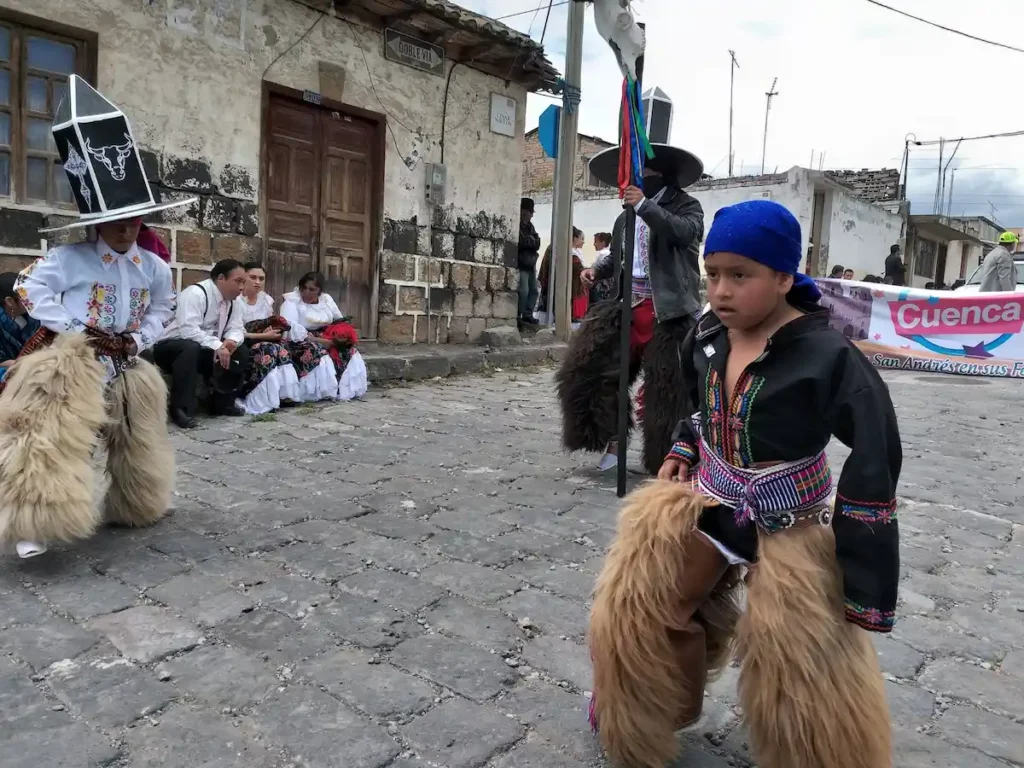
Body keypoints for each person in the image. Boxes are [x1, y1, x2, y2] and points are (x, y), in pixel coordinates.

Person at [588, 200, 900, 768]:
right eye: (712, 274)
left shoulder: (828, 355)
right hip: (712, 499)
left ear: (783, 277)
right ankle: (655, 709)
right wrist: (685, 445)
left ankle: (814, 751)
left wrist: (863, 559)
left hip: (792, 520)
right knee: (647, 607)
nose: (721, 291)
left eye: (740, 275)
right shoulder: (708, 336)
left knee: (800, 655)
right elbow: (700, 406)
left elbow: (876, 446)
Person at [0, 75, 190, 559]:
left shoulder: (153, 267)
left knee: (137, 438)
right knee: (50, 438)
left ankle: (137, 502)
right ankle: (34, 523)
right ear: (99, 223)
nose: (127, 229)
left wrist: (140, 338)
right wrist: (72, 330)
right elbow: (27, 286)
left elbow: (165, 307)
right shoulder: (70, 259)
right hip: (72, 362)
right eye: (117, 221)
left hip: (126, 361)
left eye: (134, 220)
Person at [558, 141, 705, 474]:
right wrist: (597, 270)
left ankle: (667, 458)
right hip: (627, 306)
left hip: (669, 312)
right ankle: (613, 440)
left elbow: (684, 233)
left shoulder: (687, 206)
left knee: (666, 391)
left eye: (644, 171)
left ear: (660, 172)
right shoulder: (625, 217)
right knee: (593, 371)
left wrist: (645, 207)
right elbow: (619, 256)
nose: (637, 179)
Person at [152, 259, 251, 429]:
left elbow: (236, 327)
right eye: (238, 281)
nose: (241, 287)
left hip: (204, 348)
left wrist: (230, 341)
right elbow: (188, 330)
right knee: (190, 348)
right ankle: (181, 408)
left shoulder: (234, 301)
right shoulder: (196, 294)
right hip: (170, 348)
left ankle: (222, 402)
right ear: (221, 278)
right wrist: (218, 345)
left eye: (243, 282)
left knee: (239, 350)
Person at [280, 271, 368, 401]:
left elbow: (339, 320)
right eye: (304, 288)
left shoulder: (326, 300)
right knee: (317, 350)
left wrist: (341, 337)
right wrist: (317, 340)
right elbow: (290, 328)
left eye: (312, 289)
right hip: (301, 339)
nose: (306, 292)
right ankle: (319, 391)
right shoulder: (292, 302)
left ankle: (342, 388)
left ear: (319, 291)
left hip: (325, 334)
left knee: (348, 349)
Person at [236, 263, 301, 414]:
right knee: (268, 349)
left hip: (262, 338)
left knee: (282, 348)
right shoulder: (237, 300)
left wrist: (269, 331)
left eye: (261, 278)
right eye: (253, 277)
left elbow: (267, 322)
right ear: (243, 277)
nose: (257, 282)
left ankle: (281, 396)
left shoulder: (265, 300)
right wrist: (264, 335)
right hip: (242, 342)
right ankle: (256, 398)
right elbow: (236, 331)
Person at [538, 229, 589, 323]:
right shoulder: (558, 247)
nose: (583, 241)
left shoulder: (563, 248)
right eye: (581, 238)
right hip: (556, 283)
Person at [0, 272, 40, 382]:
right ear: (10, 301)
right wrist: (26, 365)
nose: (30, 300)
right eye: (24, 296)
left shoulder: (33, 315)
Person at [518, 197, 542, 325]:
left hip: (530, 263)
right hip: (521, 263)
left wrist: (531, 242)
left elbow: (537, 243)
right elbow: (521, 243)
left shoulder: (530, 227)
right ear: (523, 211)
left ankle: (528, 314)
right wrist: (529, 242)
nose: (531, 215)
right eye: (530, 212)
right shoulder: (517, 226)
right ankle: (518, 315)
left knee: (534, 291)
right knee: (524, 291)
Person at [589, 232, 616, 304]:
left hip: (602, 287)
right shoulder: (607, 253)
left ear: (603, 242)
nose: (594, 244)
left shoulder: (603, 253)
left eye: (596, 242)